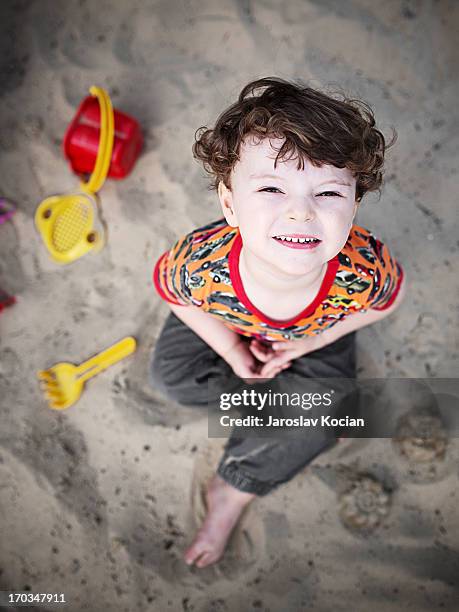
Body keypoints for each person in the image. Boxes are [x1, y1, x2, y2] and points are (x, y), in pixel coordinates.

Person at [150, 77, 406, 568]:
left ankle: (232, 487)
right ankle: (284, 409)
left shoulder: (361, 268)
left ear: (353, 206)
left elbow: (387, 300)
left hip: (316, 332)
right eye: (271, 187)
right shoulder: (202, 266)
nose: (300, 212)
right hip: (223, 316)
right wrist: (230, 350)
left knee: (328, 414)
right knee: (169, 377)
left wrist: (315, 343)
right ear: (230, 204)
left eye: (328, 193)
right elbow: (170, 293)